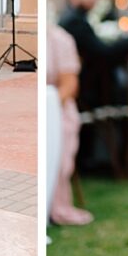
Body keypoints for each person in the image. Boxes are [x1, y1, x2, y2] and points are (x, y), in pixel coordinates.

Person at [47, 23, 93, 226]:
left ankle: (55, 204)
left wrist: (51, 108)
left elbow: (70, 84)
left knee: (61, 127)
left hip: (58, 105)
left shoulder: (59, 38)